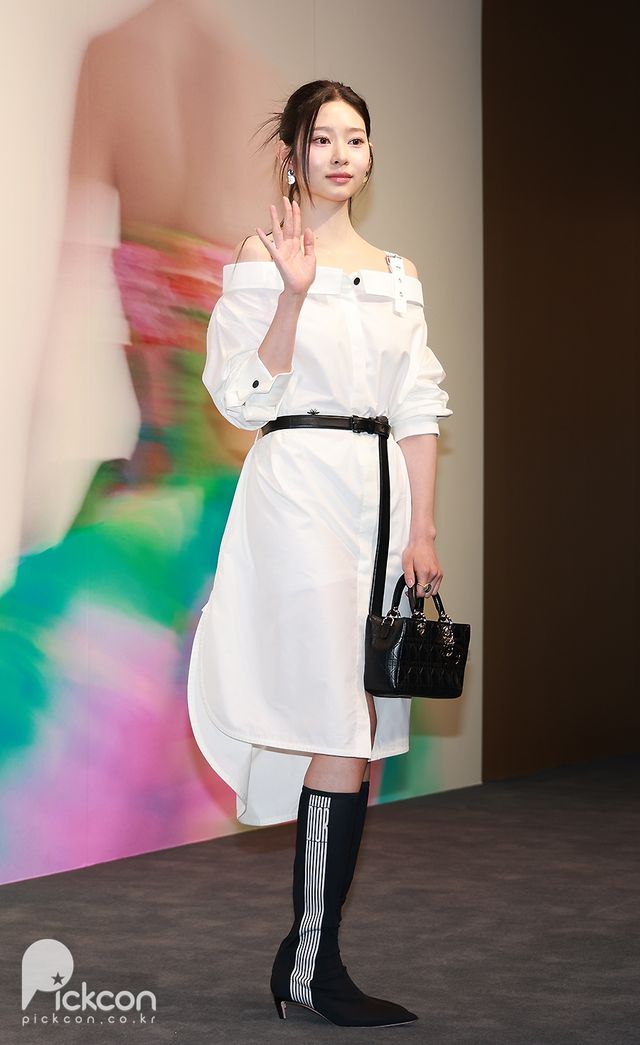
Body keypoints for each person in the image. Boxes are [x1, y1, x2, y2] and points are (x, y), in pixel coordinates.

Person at [187, 80, 453, 1027]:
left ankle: (310, 958)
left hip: (379, 502)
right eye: (323, 138)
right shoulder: (260, 258)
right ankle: (311, 961)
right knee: (340, 722)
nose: (342, 154)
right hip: (298, 489)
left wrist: (422, 527)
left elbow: (417, 405)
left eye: (356, 138)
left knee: (359, 731)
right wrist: (291, 297)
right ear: (292, 156)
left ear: (371, 156)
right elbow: (241, 397)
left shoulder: (398, 272)